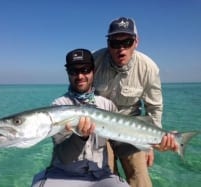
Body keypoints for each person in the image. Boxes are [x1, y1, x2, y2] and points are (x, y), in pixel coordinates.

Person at [93, 17, 178, 187]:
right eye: (115, 43)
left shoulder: (148, 68)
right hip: (98, 130)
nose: (121, 48)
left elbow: (154, 107)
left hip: (132, 129)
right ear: (108, 43)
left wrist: (151, 142)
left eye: (127, 42)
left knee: (140, 179)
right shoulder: (94, 60)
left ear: (136, 42)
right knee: (105, 176)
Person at [31, 48, 129, 187]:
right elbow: (64, 157)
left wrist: (151, 143)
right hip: (64, 175)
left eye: (85, 69)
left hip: (101, 175)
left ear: (93, 71)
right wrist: (80, 137)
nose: (80, 76)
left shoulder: (107, 105)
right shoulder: (58, 107)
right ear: (68, 74)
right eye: (74, 71)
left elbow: (122, 142)